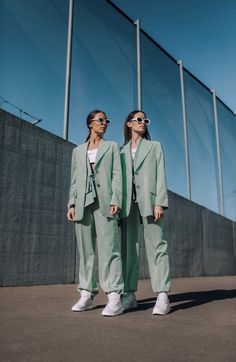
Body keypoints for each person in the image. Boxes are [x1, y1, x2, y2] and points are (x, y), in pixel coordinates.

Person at [67, 110, 124, 317]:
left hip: (105, 202)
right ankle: (87, 294)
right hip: (83, 203)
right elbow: (75, 180)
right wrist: (71, 203)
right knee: (85, 250)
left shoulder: (112, 147)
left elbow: (117, 175)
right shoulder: (78, 151)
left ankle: (114, 296)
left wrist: (115, 199)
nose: (105, 123)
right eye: (101, 120)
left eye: (106, 121)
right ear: (90, 123)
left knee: (110, 248)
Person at [120, 110, 171, 315]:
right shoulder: (120, 151)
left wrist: (160, 202)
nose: (143, 123)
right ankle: (130, 294)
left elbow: (160, 175)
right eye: (139, 120)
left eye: (145, 120)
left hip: (150, 202)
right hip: (127, 205)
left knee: (157, 245)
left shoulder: (155, 146)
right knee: (129, 249)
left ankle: (162, 295)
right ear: (129, 124)